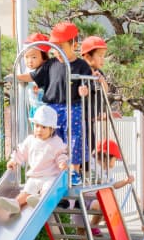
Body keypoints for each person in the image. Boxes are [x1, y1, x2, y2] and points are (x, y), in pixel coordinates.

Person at [18, 21, 91, 185]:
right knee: (51, 138)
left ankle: (74, 171)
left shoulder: (81, 65)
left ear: (74, 44)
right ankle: (52, 171)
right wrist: (15, 77)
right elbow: (33, 76)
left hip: (74, 106)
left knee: (74, 136)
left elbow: (87, 84)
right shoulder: (51, 64)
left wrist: (84, 90)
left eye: (61, 46)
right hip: (52, 108)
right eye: (54, 47)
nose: (57, 51)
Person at [0, 104, 69, 216]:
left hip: (50, 176)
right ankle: (16, 203)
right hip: (34, 176)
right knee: (27, 190)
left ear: (52, 129)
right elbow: (21, 151)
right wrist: (14, 161)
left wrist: (62, 163)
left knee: (47, 189)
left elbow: (61, 154)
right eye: (37, 126)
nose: (39, 130)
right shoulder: (30, 140)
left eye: (44, 127)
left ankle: (41, 201)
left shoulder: (56, 142)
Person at [21, 32, 52, 120]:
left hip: (46, 108)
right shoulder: (28, 69)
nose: (29, 61)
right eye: (26, 57)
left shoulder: (46, 68)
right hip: (34, 106)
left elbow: (30, 77)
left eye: (34, 57)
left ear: (44, 57)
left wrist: (16, 77)